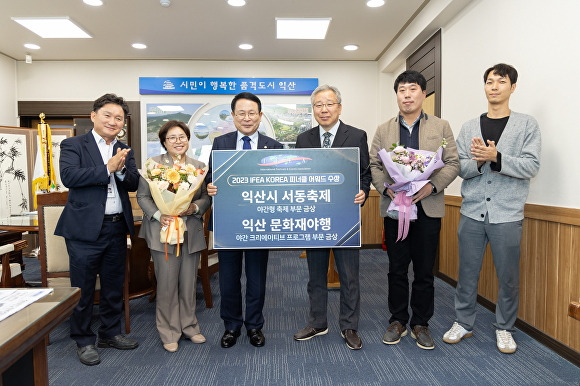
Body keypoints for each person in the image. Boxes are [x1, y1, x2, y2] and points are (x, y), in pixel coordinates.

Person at [442, 63, 541, 354]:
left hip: (507, 213)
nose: (494, 86)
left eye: (501, 81)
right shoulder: (470, 126)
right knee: (467, 272)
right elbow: (459, 166)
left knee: (508, 275)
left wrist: (497, 156)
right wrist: (481, 161)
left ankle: (505, 328)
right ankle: (463, 322)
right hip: (472, 211)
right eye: (489, 81)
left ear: (513, 87)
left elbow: (531, 165)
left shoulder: (526, 125)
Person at [370, 70, 459, 350]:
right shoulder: (384, 129)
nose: (407, 95)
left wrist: (431, 187)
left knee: (423, 270)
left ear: (423, 93)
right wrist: (386, 188)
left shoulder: (441, 127)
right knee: (396, 269)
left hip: (428, 208)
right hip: (396, 209)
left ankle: (421, 322)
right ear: (396, 95)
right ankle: (397, 320)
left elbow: (453, 163)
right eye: (401, 90)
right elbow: (374, 165)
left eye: (412, 89)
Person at [55, 93, 140, 366]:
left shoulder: (125, 148)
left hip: (116, 227)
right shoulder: (73, 144)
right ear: (94, 116)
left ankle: (110, 333)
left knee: (114, 285)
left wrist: (123, 170)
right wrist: (107, 168)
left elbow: (133, 183)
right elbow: (69, 177)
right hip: (84, 230)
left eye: (119, 118)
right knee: (83, 287)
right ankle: (82, 339)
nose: (113, 122)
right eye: (108, 116)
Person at [292, 84, 371, 350]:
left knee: (349, 275)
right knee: (315, 275)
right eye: (318, 105)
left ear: (339, 107)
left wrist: (363, 190)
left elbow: (365, 174)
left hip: (345, 217)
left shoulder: (356, 135)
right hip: (314, 218)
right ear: (312, 109)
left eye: (329, 104)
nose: (323, 109)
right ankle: (318, 321)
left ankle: (349, 326)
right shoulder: (304, 139)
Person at [206, 92, 283, 348]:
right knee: (228, 279)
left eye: (252, 113)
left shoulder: (274, 147)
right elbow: (210, 178)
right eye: (241, 113)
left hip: (259, 224)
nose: (247, 118)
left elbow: (279, 186)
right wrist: (210, 187)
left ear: (260, 116)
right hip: (229, 223)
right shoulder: (221, 143)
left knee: (256, 278)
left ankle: (254, 326)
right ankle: (231, 326)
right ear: (233, 116)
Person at [137, 120, 211, 353]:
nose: (178, 141)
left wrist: (195, 208)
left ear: (188, 140)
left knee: (189, 283)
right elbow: (142, 197)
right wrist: (160, 214)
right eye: (172, 138)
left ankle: (189, 326)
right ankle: (169, 331)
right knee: (167, 284)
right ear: (164, 142)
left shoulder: (198, 167)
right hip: (163, 232)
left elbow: (205, 198)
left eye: (182, 137)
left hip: (189, 231)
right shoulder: (152, 166)